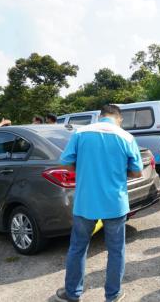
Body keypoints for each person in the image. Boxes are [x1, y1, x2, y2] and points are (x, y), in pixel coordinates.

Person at [55, 104, 143, 302]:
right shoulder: (126, 137)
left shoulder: (81, 133)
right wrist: (121, 171)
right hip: (115, 203)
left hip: (86, 202)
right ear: (118, 118)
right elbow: (137, 172)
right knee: (115, 250)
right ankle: (112, 295)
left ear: (100, 116)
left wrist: (84, 170)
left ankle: (72, 293)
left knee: (78, 248)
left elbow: (65, 163)